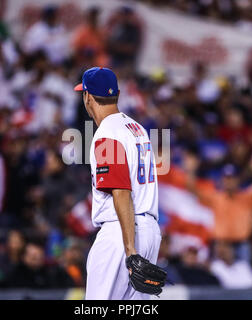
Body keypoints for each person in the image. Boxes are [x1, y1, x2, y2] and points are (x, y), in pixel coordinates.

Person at [74, 67, 162, 299]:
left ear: (88, 96)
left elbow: (121, 191)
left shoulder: (107, 134)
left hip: (122, 234)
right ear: (118, 94)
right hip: (150, 231)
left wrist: (130, 250)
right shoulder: (138, 129)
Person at [2, 243, 74, 289]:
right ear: (24, 257)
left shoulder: (50, 272)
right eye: (34, 257)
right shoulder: (16, 273)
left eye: (40, 256)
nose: (38, 259)